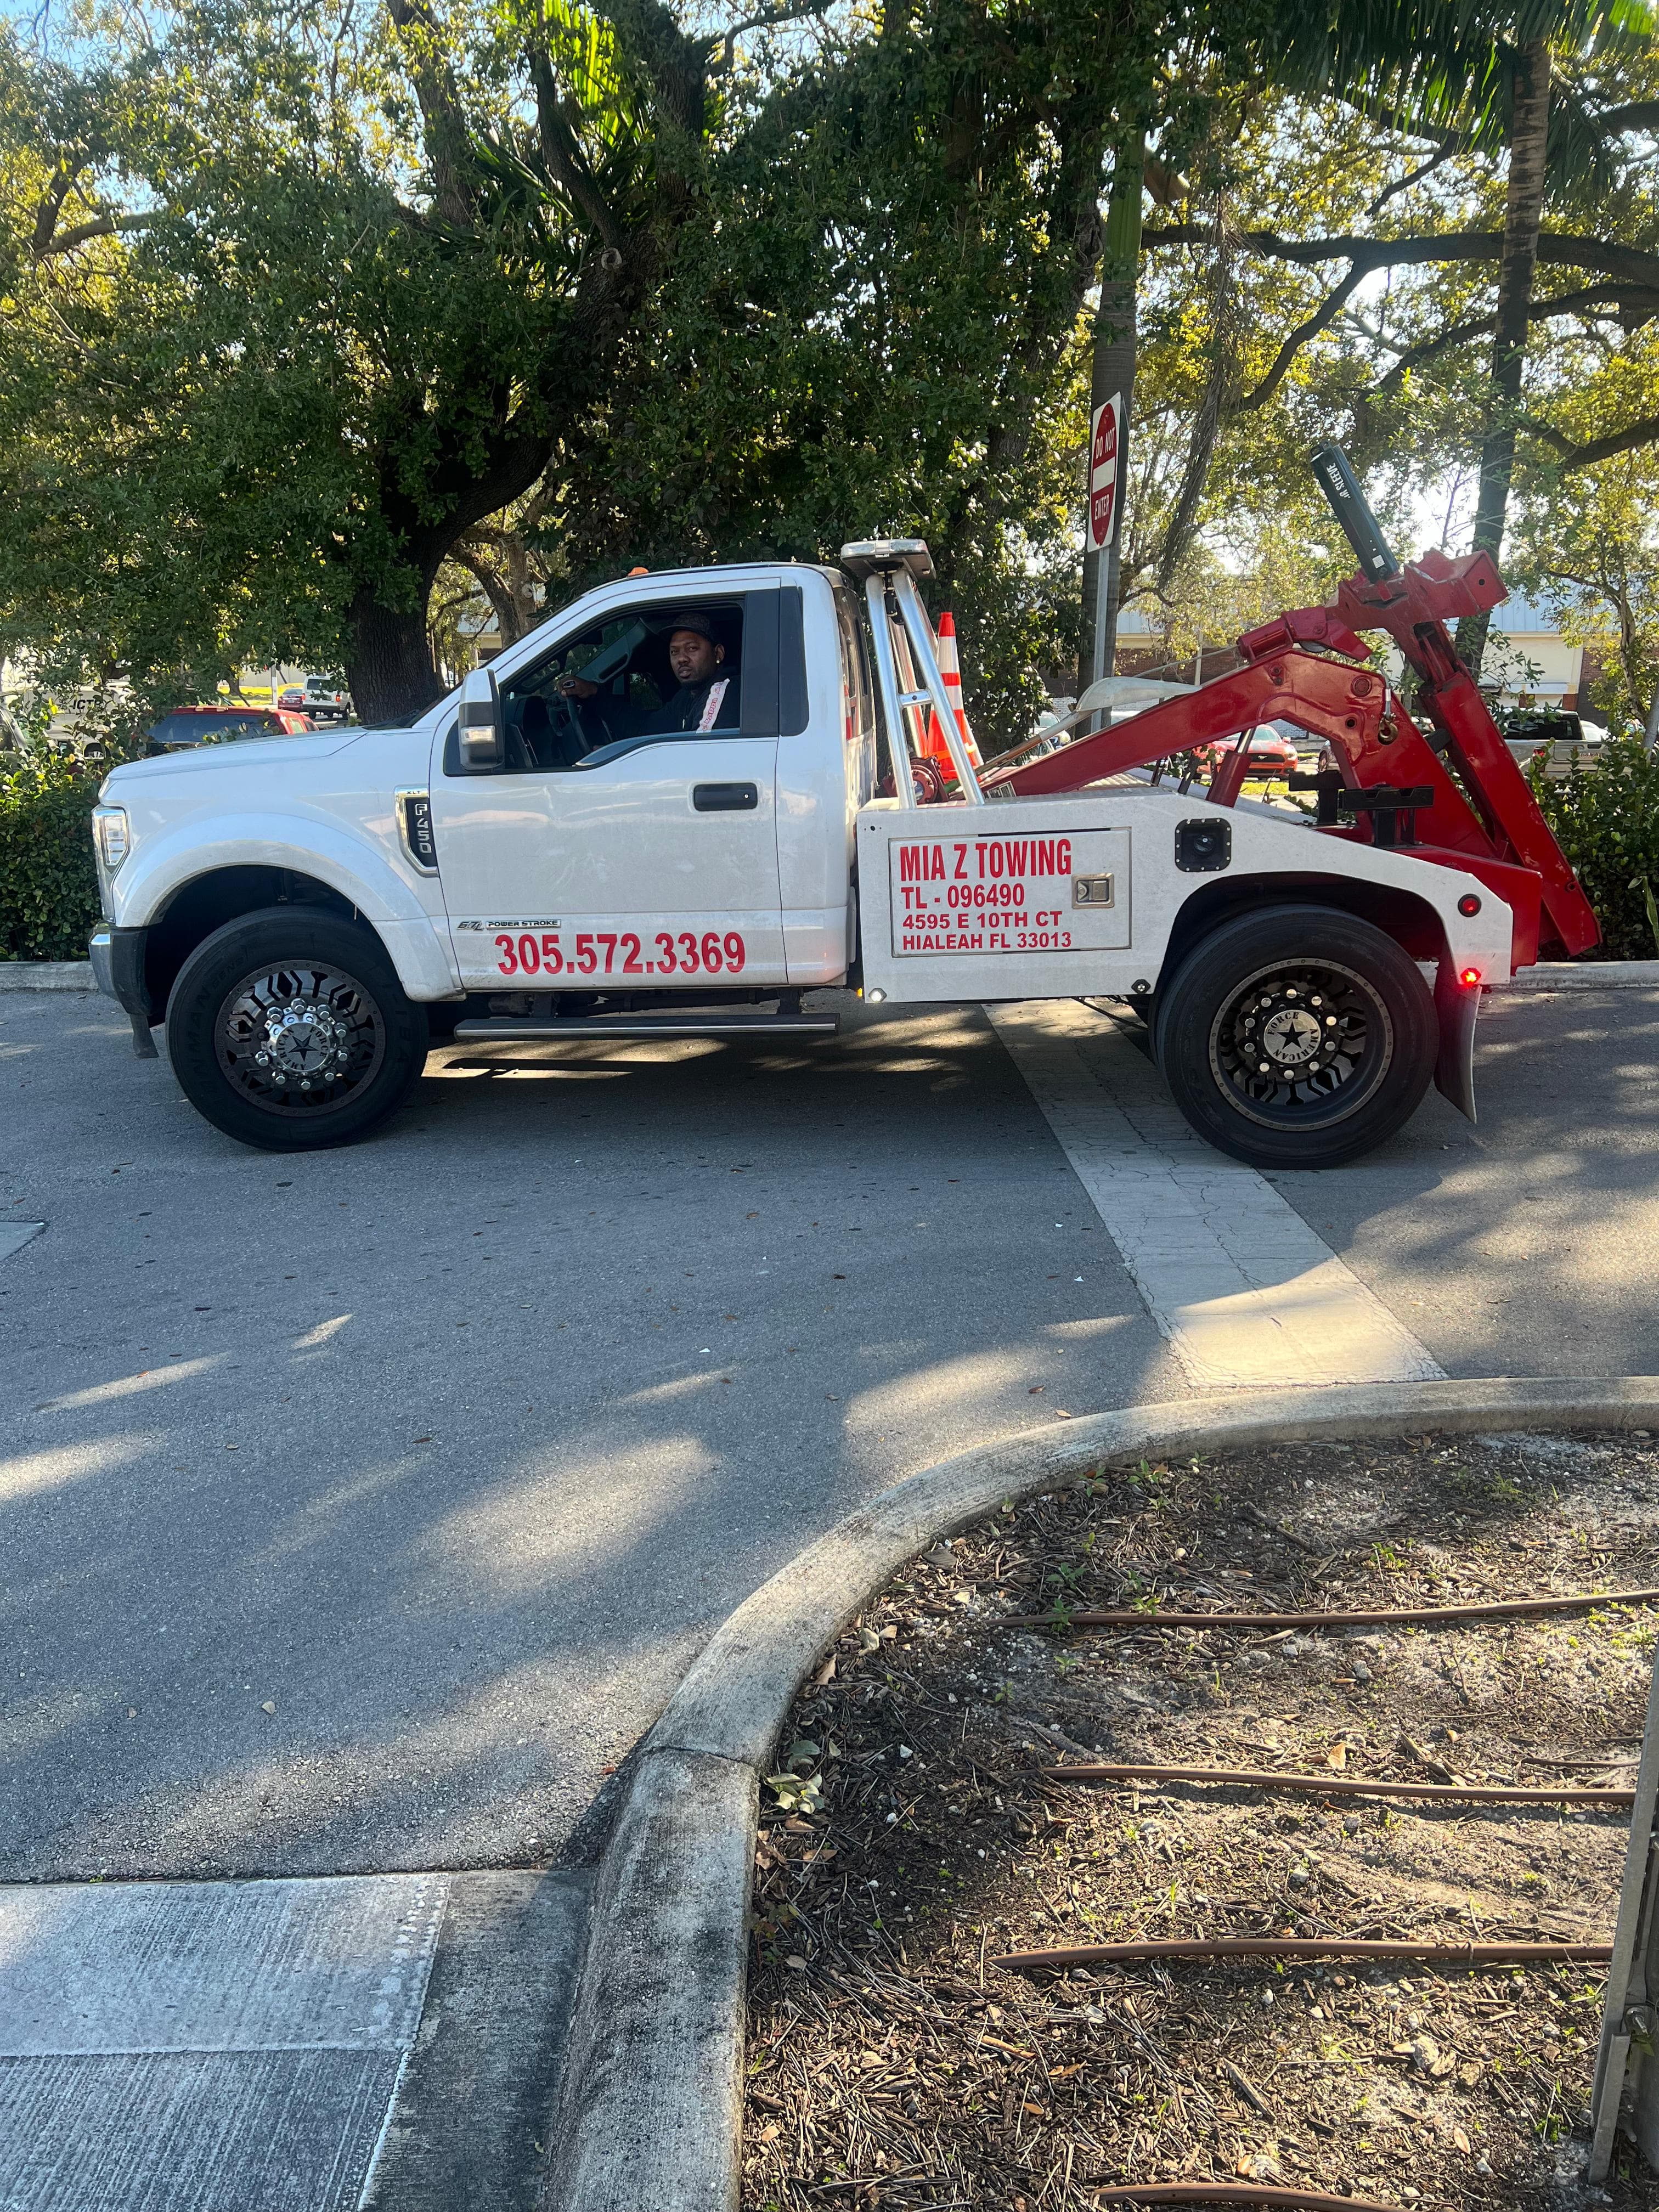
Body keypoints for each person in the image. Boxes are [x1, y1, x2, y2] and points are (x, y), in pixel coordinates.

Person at [558, 610, 740, 738]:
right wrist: (593, 693)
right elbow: (645, 727)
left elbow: (698, 758)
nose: (681, 659)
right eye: (674, 652)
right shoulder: (689, 696)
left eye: (692, 648)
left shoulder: (723, 692)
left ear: (718, 654)